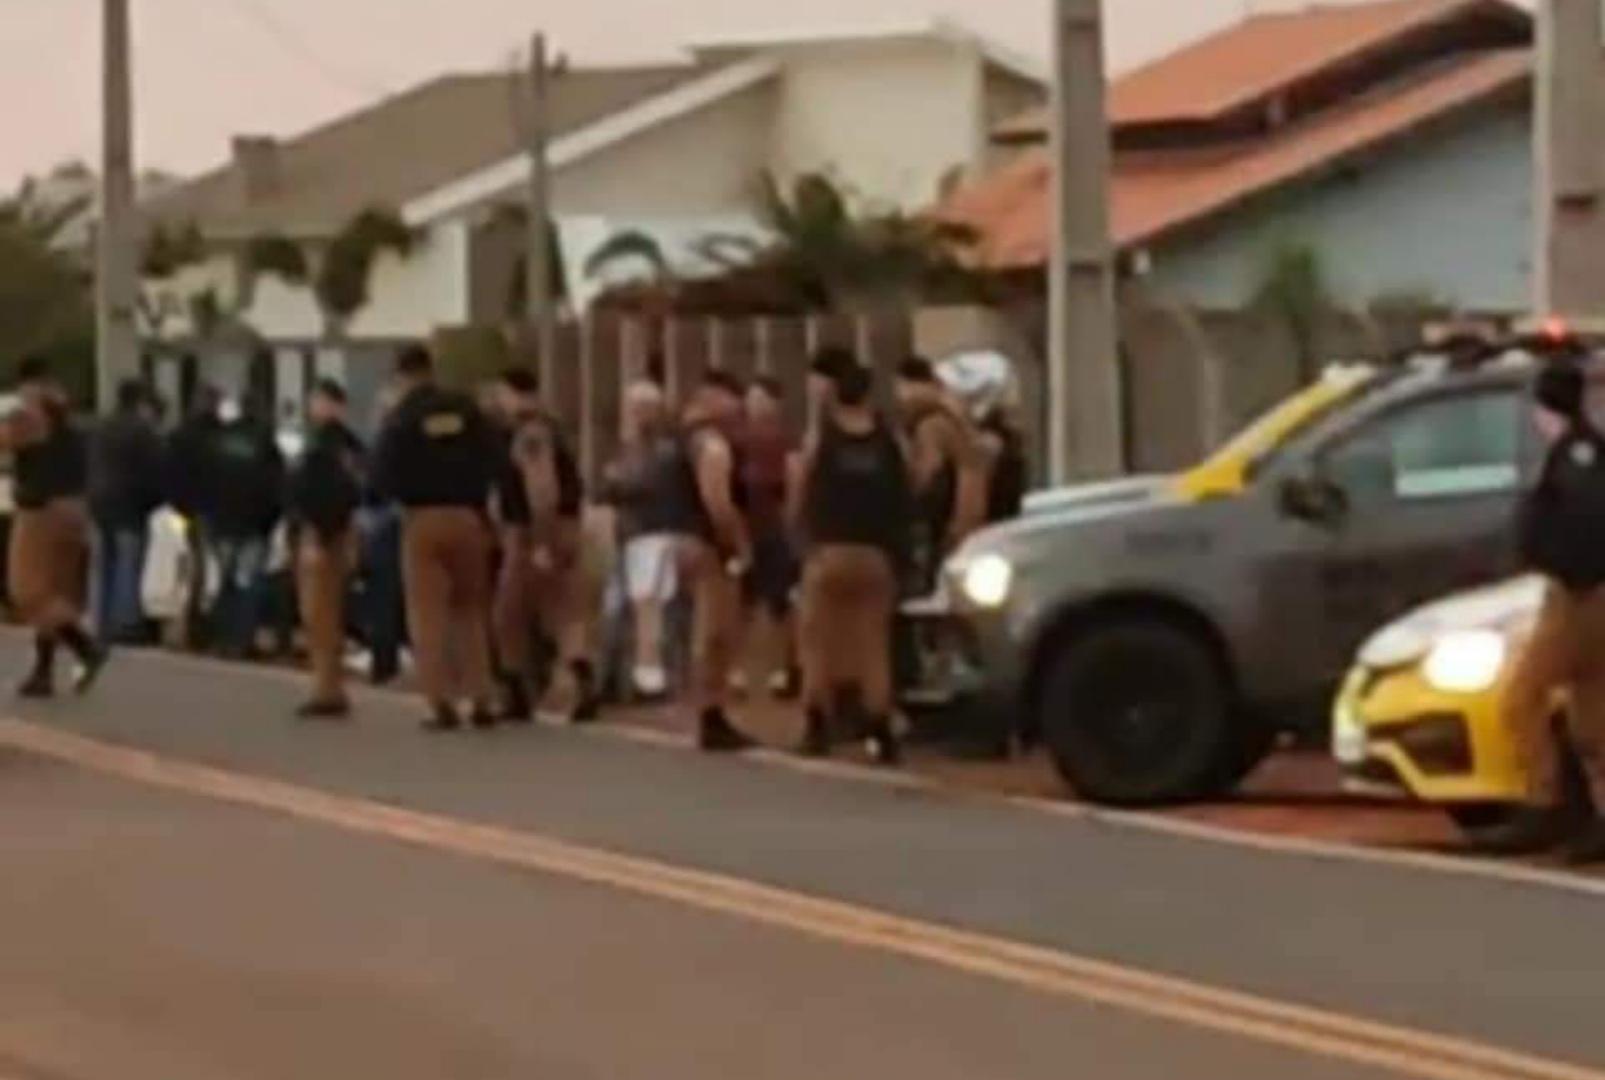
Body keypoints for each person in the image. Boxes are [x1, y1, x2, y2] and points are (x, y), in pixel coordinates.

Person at [1502, 356, 1605, 862]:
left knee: (1521, 698)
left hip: (1580, 598)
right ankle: (1596, 820)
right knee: (1593, 718)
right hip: (1588, 595)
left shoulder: (1575, 460)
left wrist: (1557, 565)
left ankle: (1544, 802)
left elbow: (1584, 530)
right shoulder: (1587, 452)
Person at [373, 345, 500, 731]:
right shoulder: (466, 409)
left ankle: (438, 701)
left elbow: (382, 472)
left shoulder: (402, 416)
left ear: (402, 375)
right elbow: (493, 455)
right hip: (468, 517)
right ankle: (481, 697)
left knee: (427, 614)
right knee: (470, 611)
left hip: (423, 519)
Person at [795, 361, 912, 765]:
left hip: (829, 549)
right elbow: (906, 483)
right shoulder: (887, 438)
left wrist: (802, 531)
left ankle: (817, 724)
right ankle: (880, 729)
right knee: (872, 644)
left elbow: (801, 480)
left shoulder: (822, 436)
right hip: (875, 552)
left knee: (817, 643)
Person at [3, 357, 106, 697]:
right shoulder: (67, 415)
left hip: (41, 510)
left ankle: (86, 647)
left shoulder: (31, 413)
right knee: (55, 591)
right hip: (74, 511)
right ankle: (43, 672)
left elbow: (6, 440)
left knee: (28, 591)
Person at [664, 371, 755, 752]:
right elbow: (717, 498)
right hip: (709, 543)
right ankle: (711, 711)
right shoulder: (712, 443)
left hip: (684, 536)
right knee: (716, 630)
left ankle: (705, 705)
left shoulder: (681, 439)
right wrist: (737, 541)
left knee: (701, 627)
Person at [286, 379, 365, 719]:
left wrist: (318, 534)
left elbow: (320, 491)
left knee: (319, 613)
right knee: (328, 613)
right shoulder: (351, 446)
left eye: (318, 401)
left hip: (322, 533)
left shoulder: (324, 446)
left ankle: (326, 688)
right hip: (340, 531)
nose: (313, 408)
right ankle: (329, 683)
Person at [600, 379, 679, 701]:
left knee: (651, 608)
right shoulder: (629, 447)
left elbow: (645, 483)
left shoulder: (665, 448)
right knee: (623, 606)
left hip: (654, 532)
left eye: (643, 409)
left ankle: (650, 679)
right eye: (633, 409)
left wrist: (617, 482)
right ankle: (619, 675)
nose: (637, 416)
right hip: (631, 534)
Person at [894, 358, 989, 590]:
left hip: (945, 525)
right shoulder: (956, 421)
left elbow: (926, 474)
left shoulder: (932, 425)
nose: (900, 397)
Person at [206, 396, 285, 659]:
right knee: (249, 582)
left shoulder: (218, 440)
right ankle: (243, 639)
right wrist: (270, 521)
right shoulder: (265, 442)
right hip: (252, 523)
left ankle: (222, 637)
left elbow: (208, 480)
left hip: (221, 522)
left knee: (226, 580)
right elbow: (276, 486)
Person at [88, 378, 164, 644]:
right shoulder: (142, 430)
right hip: (130, 504)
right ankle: (126, 622)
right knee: (128, 563)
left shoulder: (101, 426)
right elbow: (155, 468)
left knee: (104, 564)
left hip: (99, 501)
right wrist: (155, 500)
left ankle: (101, 621)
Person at [742, 376, 800, 698]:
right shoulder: (739, 441)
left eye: (761, 399)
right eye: (752, 399)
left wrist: (790, 524)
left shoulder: (786, 442)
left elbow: (794, 482)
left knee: (781, 603)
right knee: (742, 603)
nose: (755, 406)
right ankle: (742, 669)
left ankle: (784, 667)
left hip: (775, 530)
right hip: (746, 530)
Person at [165, 384, 222, 648]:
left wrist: (178, 506)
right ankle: (196, 624)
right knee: (205, 567)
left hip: (184, 510)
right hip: (207, 508)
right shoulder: (216, 435)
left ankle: (186, 624)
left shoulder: (179, 433)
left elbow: (171, 471)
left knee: (191, 565)